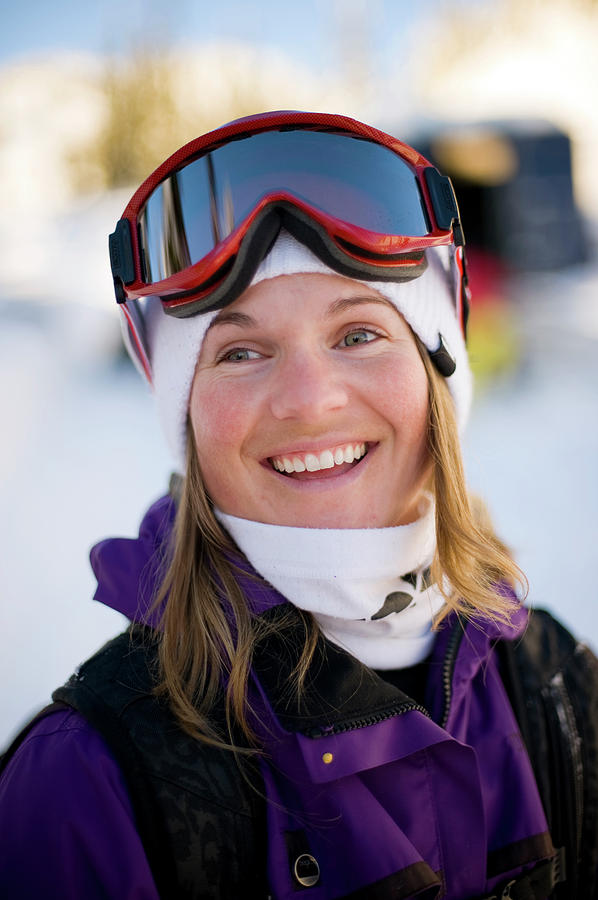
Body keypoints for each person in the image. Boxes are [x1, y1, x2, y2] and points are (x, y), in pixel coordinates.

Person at [0, 110, 597, 900]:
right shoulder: (86, 785)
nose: (309, 403)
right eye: (242, 352)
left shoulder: (560, 690)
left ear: (437, 378)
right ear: (188, 420)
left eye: (358, 335)